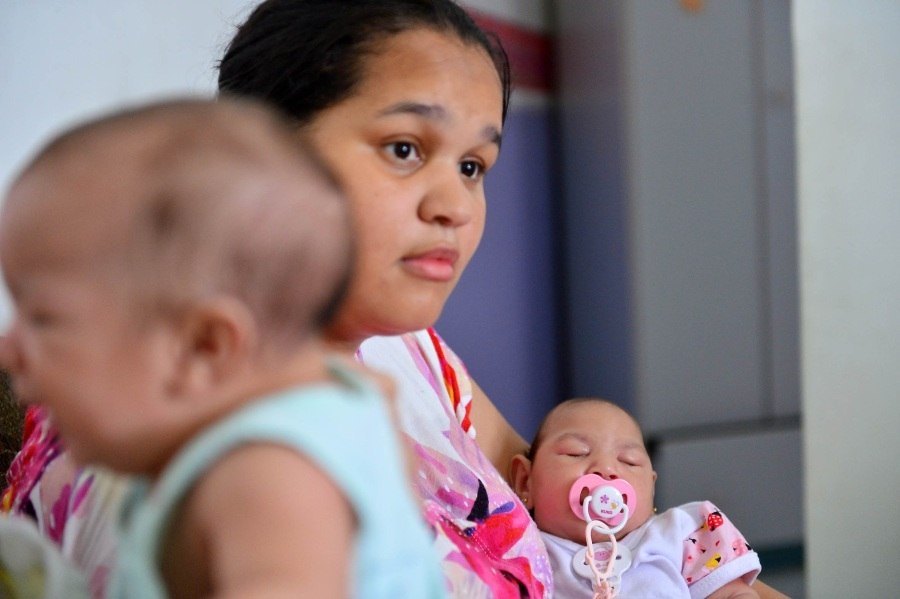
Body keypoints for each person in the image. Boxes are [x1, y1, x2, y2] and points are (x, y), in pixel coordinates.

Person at [2, 1, 788, 597]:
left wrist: (705, 568)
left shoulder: (395, 349)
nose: (456, 205)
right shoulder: (225, 465)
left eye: (475, 166)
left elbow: (553, 502)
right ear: (264, 152)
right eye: (406, 148)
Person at [0, 97, 446, 598]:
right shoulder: (348, 405)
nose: (6, 350)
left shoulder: (267, 474)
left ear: (205, 348)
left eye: (42, 317)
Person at [510, 398, 761, 598]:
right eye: (577, 453)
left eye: (629, 461)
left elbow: (731, 593)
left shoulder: (678, 532)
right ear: (525, 482)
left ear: (650, 489)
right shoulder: (518, 549)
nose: (606, 468)